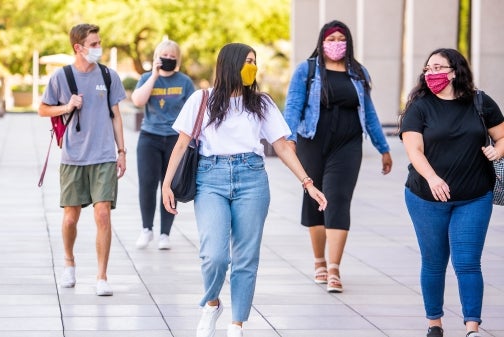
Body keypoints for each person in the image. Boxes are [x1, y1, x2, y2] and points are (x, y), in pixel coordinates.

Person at [161, 43, 328, 337]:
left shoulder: (261, 103)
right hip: (210, 178)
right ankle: (212, 303)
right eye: (247, 61)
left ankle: (236, 323)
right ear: (230, 65)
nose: (252, 67)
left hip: (252, 179)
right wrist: (166, 184)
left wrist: (307, 182)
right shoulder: (202, 99)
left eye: (254, 61)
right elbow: (181, 144)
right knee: (214, 255)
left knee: (245, 258)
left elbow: (281, 146)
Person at [398, 48, 504, 337]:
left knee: (468, 262)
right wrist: (432, 178)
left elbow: (503, 134)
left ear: (455, 71)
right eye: (428, 69)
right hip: (425, 198)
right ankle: (435, 323)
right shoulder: (419, 107)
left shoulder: (480, 102)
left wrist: (498, 150)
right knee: (433, 262)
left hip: (474, 197)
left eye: (438, 68)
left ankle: (472, 327)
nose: (431, 74)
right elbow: (414, 150)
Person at [283, 20, 393, 293]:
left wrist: (383, 148)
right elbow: (293, 106)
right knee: (314, 201)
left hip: (348, 145)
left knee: (339, 199)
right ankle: (318, 261)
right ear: (321, 42)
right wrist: (289, 141)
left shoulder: (358, 72)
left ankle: (334, 267)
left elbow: (369, 112)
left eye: (340, 38)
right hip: (312, 142)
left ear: (348, 42)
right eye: (330, 39)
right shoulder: (306, 70)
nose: (335, 43)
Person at [37, 23, 127, 296]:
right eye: (94, 44)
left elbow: (116, 115)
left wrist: (121, 152)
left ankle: (102, 276)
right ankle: (69, 262)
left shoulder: (109, 76)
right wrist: (67, 106)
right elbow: (42, 109)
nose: (99, 48)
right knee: (70, 219)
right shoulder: (61, 77)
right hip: (73, 156)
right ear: (79, 47)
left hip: (103, 156)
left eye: (99, 42)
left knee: (102, 215)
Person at [131, 40, 195, 250]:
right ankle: (146, 229)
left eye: (172, 56)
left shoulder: (184, 82)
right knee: (147, 184)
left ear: (177, 59)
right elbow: (138, 101)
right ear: (157, 57)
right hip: (150, 137)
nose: (168, 59)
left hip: (175, 140)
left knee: (169, 186)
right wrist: (154, 75)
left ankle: (165, 234)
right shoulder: (146, 78)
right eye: (164, 56)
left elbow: (194, 109)